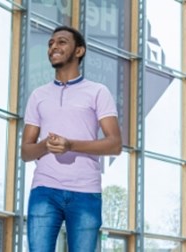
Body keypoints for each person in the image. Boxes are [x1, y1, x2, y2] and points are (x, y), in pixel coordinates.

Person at [21, 26, 122, 251]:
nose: (54, 46)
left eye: (62, 42)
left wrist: (70, 145)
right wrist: (45, 146)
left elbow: (115, 144)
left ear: (79, 51)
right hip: (44, 189)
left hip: (85, 191)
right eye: (50, 43)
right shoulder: (38, 95)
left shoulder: (98, 92)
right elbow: (26, 152)